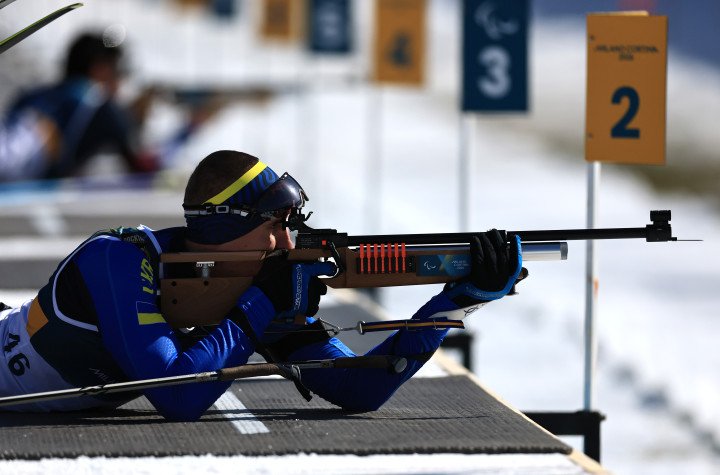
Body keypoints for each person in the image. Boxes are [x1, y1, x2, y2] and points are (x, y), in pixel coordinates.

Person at [0, 150, 523, 421]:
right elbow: (178, 397)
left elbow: (360, 389)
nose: (284, 242)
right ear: (228, 224)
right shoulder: (116, 260)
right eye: (275, 224)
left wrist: (454, 301)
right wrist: (258, 306)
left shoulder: (251, 287)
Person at [0, 32, 204, 181]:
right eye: (118, 71)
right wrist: (190, 128)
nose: (120, 81)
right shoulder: (100, 104)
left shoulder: (34, 94)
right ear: (101, 69)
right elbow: (145, 166)